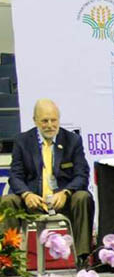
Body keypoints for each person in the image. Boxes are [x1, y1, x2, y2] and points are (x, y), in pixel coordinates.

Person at [0, 99, 92, 259]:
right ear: (35, 120)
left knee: (83, 197)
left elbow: (82, 174)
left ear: (59, 119)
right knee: (8, 201)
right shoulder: (22, 141)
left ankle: (82, 257)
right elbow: (15, 176)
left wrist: (66, 192)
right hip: (33, 201)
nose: (50, 125)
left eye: (53, 120)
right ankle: (9, 260)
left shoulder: (72, 140)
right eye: (44, 121)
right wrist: (26, 194)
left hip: (63, 200)